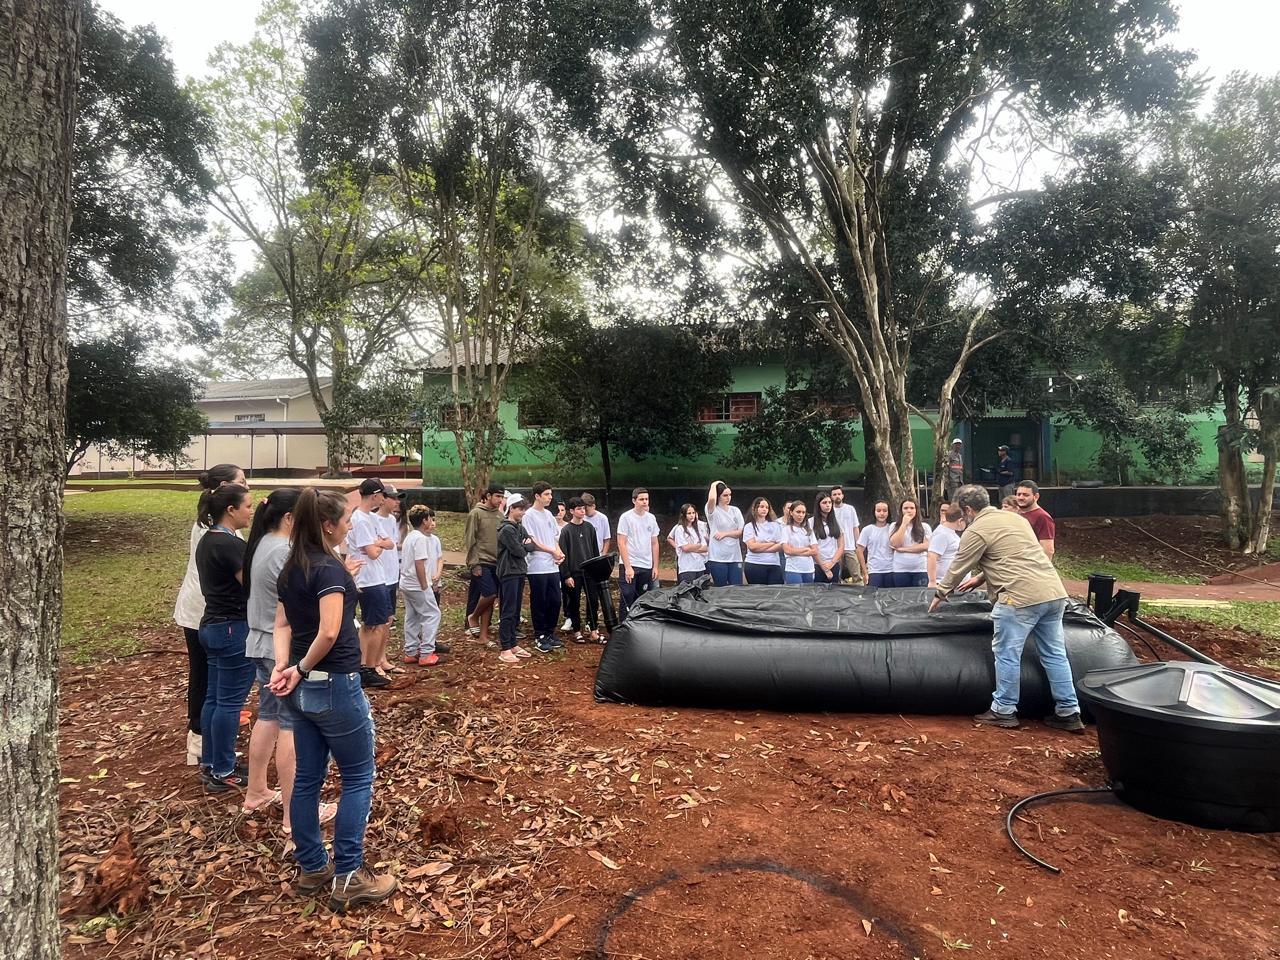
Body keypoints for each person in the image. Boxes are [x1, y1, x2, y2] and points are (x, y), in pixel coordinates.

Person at [270, 488, 397, 909]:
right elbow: (328, 632)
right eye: (345, 520)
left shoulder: (293, 568)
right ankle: (349, 876)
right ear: (328, 525)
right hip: (333, 685)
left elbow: (284, 624)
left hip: (301, 691)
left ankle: (312, 866)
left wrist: (283, 667)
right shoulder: (328, 570)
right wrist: (301, 668)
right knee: (359, 776)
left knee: (308, 778)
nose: (350, 525)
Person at [929, 484, 1084, 734]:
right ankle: (1068, 712)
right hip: (1053, 593)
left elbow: (958, 566)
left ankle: (1004, 709)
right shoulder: (1015, 519)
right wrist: (981, 578)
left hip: (1018, 598)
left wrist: (940, 593)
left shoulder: (976, 530)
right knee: (1055, 654)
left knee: (1007, 654)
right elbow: (1016, 554)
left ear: (968, 509)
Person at [242, 488, 337, 830]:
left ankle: (256, 791)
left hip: (260, 641)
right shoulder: (284, 551)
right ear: (289, 518)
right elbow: (304, 603)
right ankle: (294, 816)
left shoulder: (261, 544)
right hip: (280, 649)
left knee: (268, 717)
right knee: (291, 728)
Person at [174, 463, 243, 765]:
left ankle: (208, 739)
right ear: (224, 491)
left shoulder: (216, 522)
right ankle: (199, 739)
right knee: (204, 677)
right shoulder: (213, 529)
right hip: (204, 611)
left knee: (212, 680)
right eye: (241, 482)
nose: (247, 488)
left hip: (210, 610)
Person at [194, 481, 255, 792]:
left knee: (215, 698)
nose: (251, 511)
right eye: (247, 505)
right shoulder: (230, 546)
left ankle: (212, 762)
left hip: (213, 626)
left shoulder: (208, 540)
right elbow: (251, 586)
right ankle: (224, 769)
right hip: (232, 628)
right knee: (229, 703)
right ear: (230, 510)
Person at [345, 478, 392, 689]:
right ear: (375, 495)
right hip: (368, 578)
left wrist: (377, 543)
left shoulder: (371, 518)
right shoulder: (360, 520)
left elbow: (389, 543)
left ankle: (370, 666)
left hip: (378, 577)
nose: (384, 499)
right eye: (382, 494)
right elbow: (372, 554)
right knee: (372, 624)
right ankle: (366, 667)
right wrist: (377, 545)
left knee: (379, 622)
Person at [523, 481, 566, 652]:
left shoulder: (549, 515)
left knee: (555, 600)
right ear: (537, 496)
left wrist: (559, 552)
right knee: (540, 600)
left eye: (550, 494)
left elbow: (554, 537)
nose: (550, 497)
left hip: (552, 566)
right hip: (537, 565)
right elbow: (532, 541)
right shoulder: (529, 516)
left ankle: (549, 632)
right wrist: (551, 551)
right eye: (547, 494)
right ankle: (539, 634)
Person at [400, 505, 443, 666]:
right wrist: (425, 585)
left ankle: (411, 651)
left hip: (406, 583)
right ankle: (426, 653)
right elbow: (419, 563)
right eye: (430, 518)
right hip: (417, 585)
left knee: (412, 616)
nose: (432, 521)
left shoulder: (411, 536)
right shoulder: (420, 539)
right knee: (432, 614)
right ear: (424, 520)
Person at [462, 484, 504, 645]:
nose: (500, 500)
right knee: (490, 594)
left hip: (496, 563)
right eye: (497, 496)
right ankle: (472, 617)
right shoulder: (476, 513)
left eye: (502, 497)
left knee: (489, 600)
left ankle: (483, 636)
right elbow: (470, 539)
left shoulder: (500, 516)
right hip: (481, 562)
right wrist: (474, 564)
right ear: (488, 496)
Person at [496, 495, 534, 664]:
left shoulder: (519, 527)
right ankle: (505, 647)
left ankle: (513, 644)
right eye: (520, 509)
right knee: (508, 610)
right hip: (508, 572)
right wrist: (524, 545)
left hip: (519, 571)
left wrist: (525, 545)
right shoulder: (507, 530)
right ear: (511, 509)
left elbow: (530, 545)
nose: (523, 513)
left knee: (515, 610)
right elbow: (520, 550)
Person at [559, 497, 602, 641]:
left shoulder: (589, 528)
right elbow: (563, 554)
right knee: (574, 602)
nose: (582, 511)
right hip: (574, 573)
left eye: (583, 508)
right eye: (579, 509)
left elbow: (595, 551)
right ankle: (577, 631)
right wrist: (566, 575)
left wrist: (597, 570)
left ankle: (594, 630)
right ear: (571, 511)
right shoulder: (566, 531)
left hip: (590, 572)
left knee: (593, 601)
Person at [617, 487, 661, 618]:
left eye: (646, 499)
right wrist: (628, 567)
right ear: (634, 501)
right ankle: (624, 626)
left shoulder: (651, 518)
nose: (645, 502)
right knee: (627, 595)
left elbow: (654, 543)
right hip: (630, 564)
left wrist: (655, 566)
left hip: (646, 565)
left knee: (642, 598)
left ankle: (638, 626)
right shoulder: (626, 517)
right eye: (641, 499)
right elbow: (621, 542)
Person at [375, 485, 402, 673]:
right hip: (379, 576)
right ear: (383, 498)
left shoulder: (392, 519)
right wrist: (385, 543)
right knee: (378, 622)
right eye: (393, 498)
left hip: (392, 575)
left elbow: (393, 543)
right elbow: (382, 544)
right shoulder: (372, 519)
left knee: (389, 619)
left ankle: (382, 657)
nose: (397, 501)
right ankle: (373, 661)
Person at [704, 480, 744, 586]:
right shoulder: (713, 510)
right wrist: (714, 484)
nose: (728, 497)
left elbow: (740, 532)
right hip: (717, 557)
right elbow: (712, 499)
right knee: (721, 588)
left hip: (735, 556)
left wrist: (725, 534)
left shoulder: (735, 510)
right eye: (725, 495)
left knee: (737, 587)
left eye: (730, 495)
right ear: (718, 496)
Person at [888, 497, 931, 588]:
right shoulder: (894, 526)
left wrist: (903, 549)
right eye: (906, 508)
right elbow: (895, 544)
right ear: (901, 511)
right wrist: (904, 524)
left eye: (912, 508)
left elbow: (926, 546)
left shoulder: (925, 526)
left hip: (920, 569)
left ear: (916, 510)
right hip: (900, 570)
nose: (909, 511)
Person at [741, 497, 784, 585]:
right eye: (761, 506)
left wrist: (761, 547)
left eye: (766, 507)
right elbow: (752, 547)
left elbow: (781, 545)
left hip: (773, 564)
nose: (764, 509)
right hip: (754, 564)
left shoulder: (775, 525)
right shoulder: (749, 526)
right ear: (755, 508)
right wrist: (772, 543)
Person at [668, 502, 710, 584]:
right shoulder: (680, 529)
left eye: (693, 513)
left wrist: (693, 547)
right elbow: (685, 548)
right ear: (684, 515)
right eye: (689, 513)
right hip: (687, 567)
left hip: (699, 566)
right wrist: (697, 546)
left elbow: (705, 548)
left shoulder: (698, 528)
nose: (692, 515)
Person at [856, 501, 895, 588]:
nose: (882, 513)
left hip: (892, 570)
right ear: (874, 512)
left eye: (885, 511)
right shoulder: (867, 530)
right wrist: (865, 572)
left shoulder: (893, 528)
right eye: (878, 510)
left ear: (888, 512)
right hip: (874, 571)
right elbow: (859, 550)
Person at [780, 501, 820, 584]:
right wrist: (806, 549)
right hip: (793, 569)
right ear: (791, 512)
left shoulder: (809, 530)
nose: (801, 515)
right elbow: (787, 550)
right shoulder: (786, 529)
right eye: (798, 512)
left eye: (803, 512)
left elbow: (815, 551)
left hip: (808, 569)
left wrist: (795, 550)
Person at [1015, 480, 1056, 559]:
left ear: (1036, 496)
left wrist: (1041, 568)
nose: (1021, 497)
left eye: (1026, 495)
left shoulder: (1043, 517)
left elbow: (1048, 549)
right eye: (1018, 494)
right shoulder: (1016, 513)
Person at [809, 492, 844, 584]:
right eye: (824, 503)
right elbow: (811, 547)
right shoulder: (810, 522)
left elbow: (841, 546)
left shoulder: (837, 521)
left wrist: (832, 562)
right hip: (817, 564)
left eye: (829, 502)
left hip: (833, 563)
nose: (828, 505)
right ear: (818, 505)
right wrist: (823, 566)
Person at [927, 503, 965, 588]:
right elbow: (932, 556)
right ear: (960, 521)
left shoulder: (950, 533)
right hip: (943, 583)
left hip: (953, 584)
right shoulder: (942, 534)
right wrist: (932, 582)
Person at [829, 485, 861, 584]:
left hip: (850, 546)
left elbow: (855, 527)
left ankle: (860, 592)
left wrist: (858, 544)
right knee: (836, 574)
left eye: (839, 494)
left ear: (842, 495)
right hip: (835, 548)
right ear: (831, 497)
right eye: (834, 494)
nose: (837, 496)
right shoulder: (829, 511)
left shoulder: (850, 509)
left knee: (856, 573)